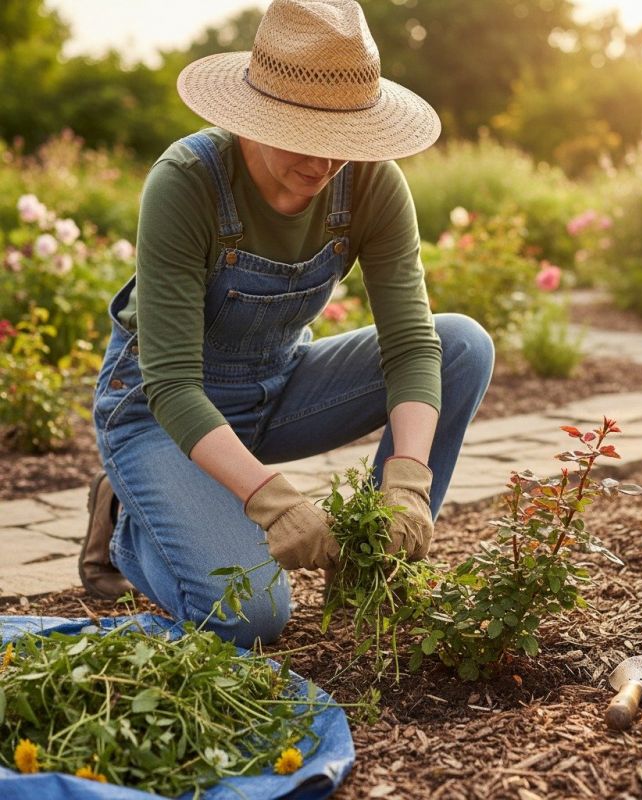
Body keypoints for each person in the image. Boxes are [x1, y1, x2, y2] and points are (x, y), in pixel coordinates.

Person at [80, 0, 495, 647]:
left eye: (345, 139)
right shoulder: (187, 183)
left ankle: (370, 575)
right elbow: (172, 387)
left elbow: (413, 344)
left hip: (274, 388)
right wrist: (271, 499)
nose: (326, 162)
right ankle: (129, 519)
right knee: (253, 615)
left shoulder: (371, 187)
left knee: (461, 345)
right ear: (258, 114)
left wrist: (408, 482)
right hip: (159, 415)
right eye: (306, 135)